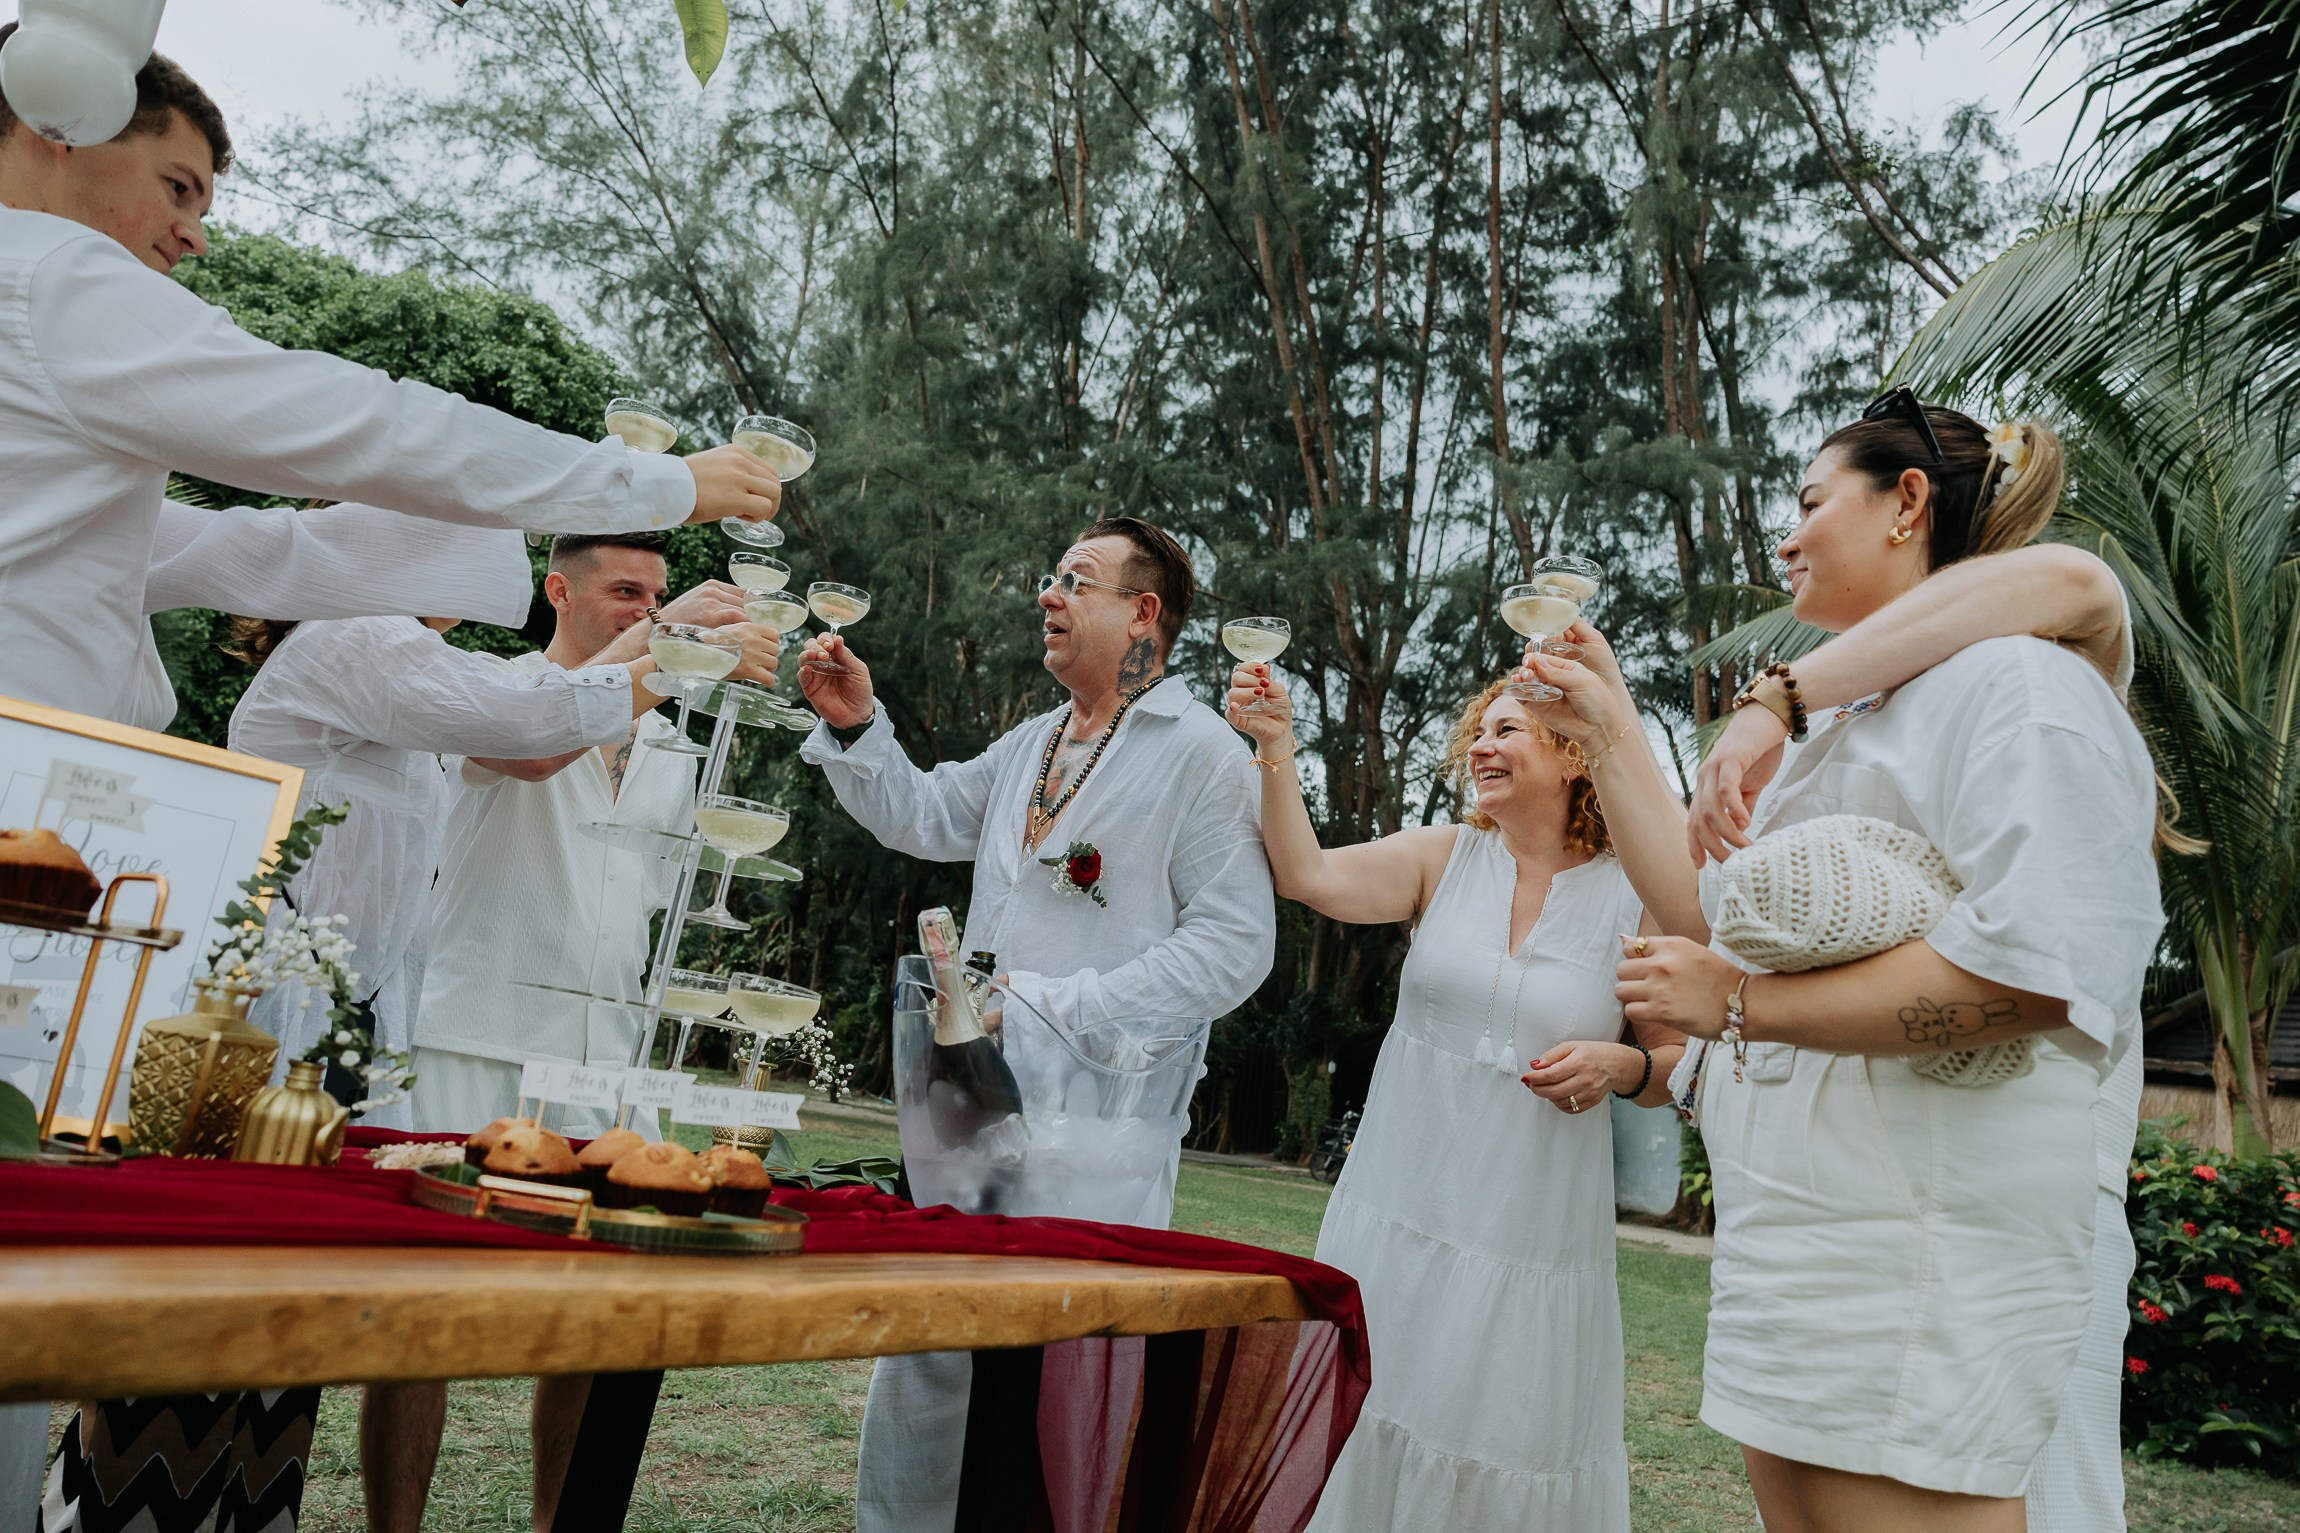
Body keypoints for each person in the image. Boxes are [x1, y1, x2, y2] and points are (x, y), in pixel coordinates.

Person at [1587, 397, 2160, 1532]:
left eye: (1810, 503)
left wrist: (1740, 1005)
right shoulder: (1844, 730)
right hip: (1797, 1235)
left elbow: (2030, 979)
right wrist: (1606, 727)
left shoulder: (2022, 685)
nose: (1785, 538)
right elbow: (1705, 913)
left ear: (1907, 503)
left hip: (1922, 1248)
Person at [0, 27, 785, 733]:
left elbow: (238, 550)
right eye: (177, 186)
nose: (194, 237)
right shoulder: (56, 279)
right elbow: (366, 427)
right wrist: (655, 484)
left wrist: (532, 516)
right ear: (64, 119)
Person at [795, 516, 1275, 1533]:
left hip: (1095, 1119)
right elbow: (925, 814)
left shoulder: (1202, 754)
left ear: (1143, 614)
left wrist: (1061, 1007)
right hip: (964, 1096)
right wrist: (857, 726)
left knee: (1055, 1371)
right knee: (934, 1342)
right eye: (1050, 577)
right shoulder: (1036, 738)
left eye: (1077, 580)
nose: (1049, 595)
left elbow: (1236, 947)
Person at [1226, 650, 1684, 1530]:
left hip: (1530, 1237)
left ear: (1574, 753)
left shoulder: (1638, 894)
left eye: (1507, 729)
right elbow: (1305, 873)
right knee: (1372, 1410)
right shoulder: (1441, 858)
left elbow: (1676, 1068)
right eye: (1479, 730)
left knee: (1501, 1434)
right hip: (1397, 1209)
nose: (1481, 745)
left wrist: (1622, 1066)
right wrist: (1276, 745)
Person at [224, 568, 769, 1130]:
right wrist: (682, 646)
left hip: (349, 995)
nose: (487, 567)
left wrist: (676, 646)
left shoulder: (380, 642)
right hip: (300, 995)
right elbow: (531, 731)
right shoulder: (361, 635)